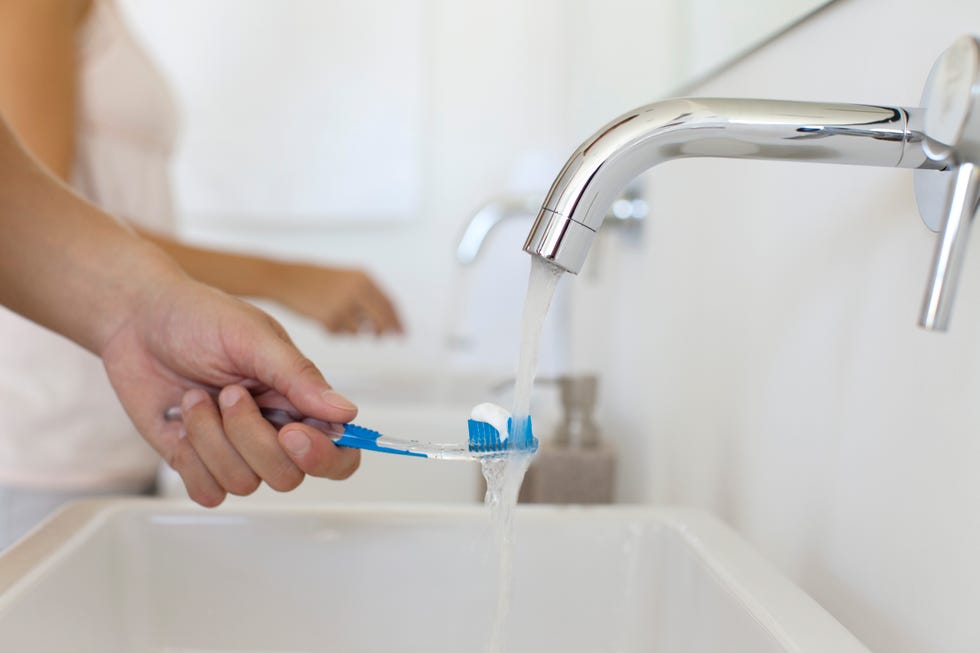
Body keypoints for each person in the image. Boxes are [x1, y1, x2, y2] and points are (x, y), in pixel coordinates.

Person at [0, 0, 400, 546]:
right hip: (41, 439)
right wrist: (281, 278)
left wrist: (139, 316)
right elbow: (19, 212)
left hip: (116, 420)